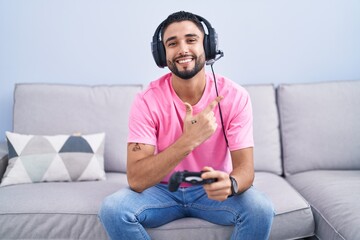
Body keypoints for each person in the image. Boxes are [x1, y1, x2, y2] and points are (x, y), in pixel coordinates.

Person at [99, 11, 274, 240]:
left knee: (260, 208)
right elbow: (137, 180)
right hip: (161, 191)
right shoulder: (146, 100)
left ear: (208, 46)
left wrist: (230, 184)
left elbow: (246, 170)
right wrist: (188, 140)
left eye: (191, 40)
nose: (182, 49)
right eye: (172, 43)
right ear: (162, 54)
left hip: (211, 191)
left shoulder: (235, 96)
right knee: (113, 209)